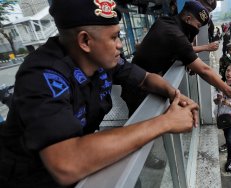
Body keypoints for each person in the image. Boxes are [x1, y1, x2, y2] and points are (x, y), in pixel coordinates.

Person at [0, 0, 200, 187]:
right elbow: (66, 162)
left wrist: (174, 94)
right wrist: (165, 122)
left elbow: (145, 78)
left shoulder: (102, 60)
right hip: (32, 178)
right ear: (85, 41)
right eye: (114, 37)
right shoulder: (41, 76)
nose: (120, 44)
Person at [122, 1, 231, 115]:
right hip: (138, 86)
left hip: (137, 77)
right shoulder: (176, 35)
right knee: (140, 121)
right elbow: (204, 70)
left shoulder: (164, 21)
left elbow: (179, 49)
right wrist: (226, 88)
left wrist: (187, 59)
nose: (197, 30)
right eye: (197, 25)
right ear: (188, 19)